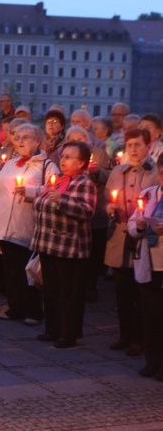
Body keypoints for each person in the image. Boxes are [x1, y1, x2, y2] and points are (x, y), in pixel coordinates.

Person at [0, 123, 59, 325]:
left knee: (28, 269)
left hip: (28, 225)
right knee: (10, 269)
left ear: (38, 141)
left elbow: (52, 190)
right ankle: (15, 307)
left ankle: (34, 310)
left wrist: (30, 192)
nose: (20, 141)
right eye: (17, 137)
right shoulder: (10, 164)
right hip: (5, 224)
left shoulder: (46, 165)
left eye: (26, 137)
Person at [32, 141, 96, 348]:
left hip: (70, 247)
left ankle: (68, 333)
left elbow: (86, 211)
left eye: (69, 157)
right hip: (49, 244)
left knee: (68, 292)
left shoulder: (84, 183)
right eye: (63, 156)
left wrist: (61, 200)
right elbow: (43, 202)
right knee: (51, 290)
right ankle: (53, 329)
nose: (63, 160)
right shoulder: (58, 180)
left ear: (81, 162)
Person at [105, 128, 159, 357]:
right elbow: (109, 197)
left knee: (141, 291)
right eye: (130, 145)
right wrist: (109, 207)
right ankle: (125, 334)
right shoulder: (118, 171)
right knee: (121, 289)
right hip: (120, 234)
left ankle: (141, 337)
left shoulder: (155, 172)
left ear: (148, 146)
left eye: (138, 145)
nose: (134, 149)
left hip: (144, 238)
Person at [64, 126, 112, 304]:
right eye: (73, 139)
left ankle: (90, 287)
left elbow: (109, 175)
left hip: (96, 212)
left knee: (93, 254)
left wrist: (97, 172)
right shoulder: (65, 157)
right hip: (71, 213)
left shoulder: (98, 154)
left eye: (80, 139)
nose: (77, 142)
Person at [127, 154, 163, 380]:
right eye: (162, 173)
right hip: (149, 265)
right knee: (151, 316)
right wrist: (139, 226)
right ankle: (152, 362)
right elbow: (132, 224)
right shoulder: (149, 194)